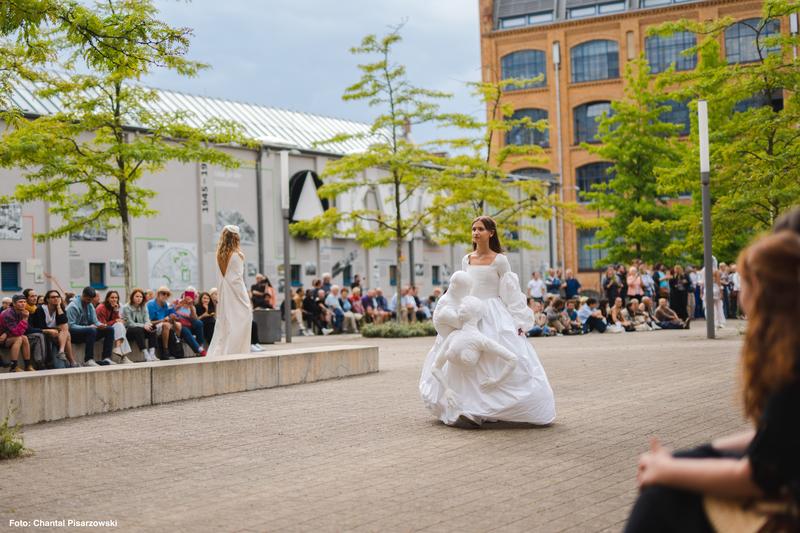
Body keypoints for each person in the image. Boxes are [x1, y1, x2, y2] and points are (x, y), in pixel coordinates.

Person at [625, 230, 800, 533]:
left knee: (660, 500)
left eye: (744, 282)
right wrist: (695, 454)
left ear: (761, 290)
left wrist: (670, 469)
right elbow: (776, 437)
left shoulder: (792, 364)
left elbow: (760, 474)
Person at [419, 215, 556, 427]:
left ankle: (494, 405)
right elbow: (461, 288)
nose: (476, 232)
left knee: (493, 359)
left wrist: (520, 321)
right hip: (469, 313)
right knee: (464, 362)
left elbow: (510, 292)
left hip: (493, 313)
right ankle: (467, 409)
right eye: (473, 229)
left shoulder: (500, 260)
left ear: (491, 233)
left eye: (481, 229)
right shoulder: (466, 259)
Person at [207, 225, 253, 356]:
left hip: (224, 292)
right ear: (236, 237)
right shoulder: (238, 255)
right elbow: (237, 279)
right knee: (244, 317)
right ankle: (236, 351)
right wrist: (245, 298)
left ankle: (221, 351)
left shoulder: (218, 255)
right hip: (235, 292)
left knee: (226, 323)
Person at [66, 286, 115, 366]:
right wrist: (88, 327)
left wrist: (101, 325)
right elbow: (71, 326)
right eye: (88, 299)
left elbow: (95, 321)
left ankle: (106, 358)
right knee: (91, 330)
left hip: (87, 332)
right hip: (73, 334)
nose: (90, 302)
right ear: (83, 295)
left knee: (109, 329)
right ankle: (88, 359)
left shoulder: (90, 305)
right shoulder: (72, 307)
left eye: (91, 300)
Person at [30, 290, 78, 368]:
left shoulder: (60, 308)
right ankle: (72, 361)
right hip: (43, 332)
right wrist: (53, 329)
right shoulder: (40, 309)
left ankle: (61, 351)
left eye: (57, 297)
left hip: (57, 333)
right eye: (53, 297)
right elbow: (40, 326)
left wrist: (59, 307)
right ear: (47, 299)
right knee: (67, 335)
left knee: (67, 333)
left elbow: (64, 322)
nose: (55, 299)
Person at [95, 290, 134, 364]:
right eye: (112, 297)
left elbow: (116, 320)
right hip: (100, 330)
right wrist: (116, 320)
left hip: (110, 328)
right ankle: (123, 357)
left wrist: (116, 311)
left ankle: (119, 348)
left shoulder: (114, 307)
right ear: (107, 299)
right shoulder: (101, 308)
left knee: (120, 325)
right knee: (119, 326)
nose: (114, 299)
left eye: (116, 298)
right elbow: (103, 324)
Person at [0, 295, 36, 372]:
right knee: (19, 338)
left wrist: (6, 333)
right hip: (2, 340)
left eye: (24, 302)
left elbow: (23, 331)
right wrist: (25, 319)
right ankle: (14, 366)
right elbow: (17, 332)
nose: (23, 304)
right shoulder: (8, 314)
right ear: (14, 303)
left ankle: (27, 365)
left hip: (8, 336)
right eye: (20, 302)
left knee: (24, 338)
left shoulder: (21, 312)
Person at [122, 288, 159, 362]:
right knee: (138, 329)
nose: (139, 298)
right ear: (132, 297)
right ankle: (146, 354)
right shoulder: (126, 307)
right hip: (129, 331)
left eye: (141, 297)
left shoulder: (144, 306)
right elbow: (130, 323)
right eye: (137, 296)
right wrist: (143, 325)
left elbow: (147, 319)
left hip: (142, 330)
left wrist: (147, 325)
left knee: (153, 327)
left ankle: (152, 353)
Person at [146, 286, 182, 359]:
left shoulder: (166, 304)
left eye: (167, 294)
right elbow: (149, 321)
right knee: (166, 325)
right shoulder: (150, 304)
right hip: (152, 326)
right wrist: (163, 320)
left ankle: (178, 345)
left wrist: (173, 317)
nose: (165, 296)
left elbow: (175, 316)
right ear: (158, 294)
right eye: (163, 293)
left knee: (178, 325)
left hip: (164, 325)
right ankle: (165, 349)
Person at [173, 289, 206, 356]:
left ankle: (200, 345)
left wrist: (190, 306)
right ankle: (199, 350)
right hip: (181, 327)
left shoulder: (192, 307)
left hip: (191, 326)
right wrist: (180, 305)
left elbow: (195, 318)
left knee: (199, 322)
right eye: (185, 297)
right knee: (185, 330)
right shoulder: (177, 304)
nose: (187, 299)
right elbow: (171, 312)